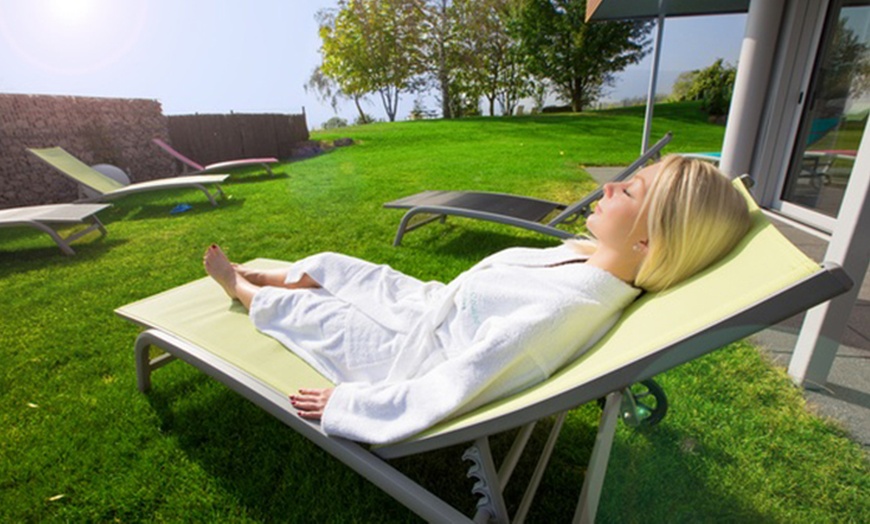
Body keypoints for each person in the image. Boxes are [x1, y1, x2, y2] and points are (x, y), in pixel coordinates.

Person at [203, 155, 751, 444]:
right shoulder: (587, 263)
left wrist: (353, 406)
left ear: (648, 242)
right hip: (433, 309)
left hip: (413, 359)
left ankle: (244, 288)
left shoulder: (564, 312)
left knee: (311, 313)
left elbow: (458, 382)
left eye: (628, 191)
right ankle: (281, 277)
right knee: (341, 267)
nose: (608, 187)